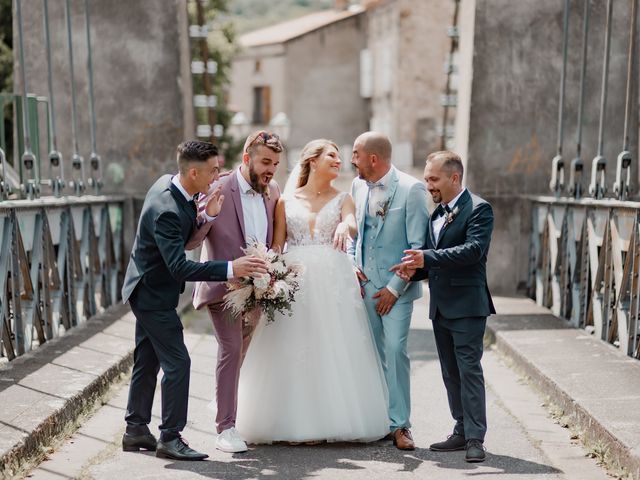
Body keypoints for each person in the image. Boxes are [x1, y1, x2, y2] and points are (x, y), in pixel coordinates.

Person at [235, 139, 389, 444]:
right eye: (332, 155)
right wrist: (268, 278)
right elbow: (278, 246)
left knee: (331, 347)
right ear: (312, 160)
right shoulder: (285, 201)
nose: (339, 160)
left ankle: (331, 419)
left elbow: (351, 223)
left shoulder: (344, 197)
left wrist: (346, 226)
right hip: (295, 281)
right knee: (292, 347)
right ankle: (287, 419)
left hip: (332, 281)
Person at [121, 140, 267, 461]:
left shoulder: (176, 187)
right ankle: (170, 437)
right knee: (179, 363)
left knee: (148, 360)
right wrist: (231, 268)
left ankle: (135, 430)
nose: (218, 176)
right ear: (193, 171)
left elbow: (181, 241)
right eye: (214, 170)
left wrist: (208, 216)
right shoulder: (167, 210)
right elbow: (179, 266)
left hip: (149, 288)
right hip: (151, 294)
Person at [394, 150, 495, 463]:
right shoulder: (436, 214)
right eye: (426, 179)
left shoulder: (479, 209)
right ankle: (461, 429)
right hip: (440, 306)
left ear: (454, 178)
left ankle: (476, 438)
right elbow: (433, 262)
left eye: (433, 179)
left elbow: (473, 251)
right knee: (451, 373)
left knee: (469, 371)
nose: (428, 186)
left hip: (467, 305)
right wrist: (414, 270)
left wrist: (428, 258)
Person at [186, 131, 283, 453]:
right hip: (223, 286)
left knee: (241, 350)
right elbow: (192, 241)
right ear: (247, 159)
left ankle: (222, 399)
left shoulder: (273, 191)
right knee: (230, 349)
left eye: (276, 164)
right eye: (265, 162)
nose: (271, 169)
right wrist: (209, 214)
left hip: (259, 288)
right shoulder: (219, 187)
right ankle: (225, 427)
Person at [350, 131, 428, 450]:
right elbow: (356, 233)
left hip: (398, 290)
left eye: (356, 154)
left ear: (373, 158)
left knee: (395, 351)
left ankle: (400, 425)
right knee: (370, 354)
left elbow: (416, 248)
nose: (351, 159)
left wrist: (394, 289)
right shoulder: (356, 186)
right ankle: (376, 420)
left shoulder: (412, 189)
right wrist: (352, 265)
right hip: (364, 285)